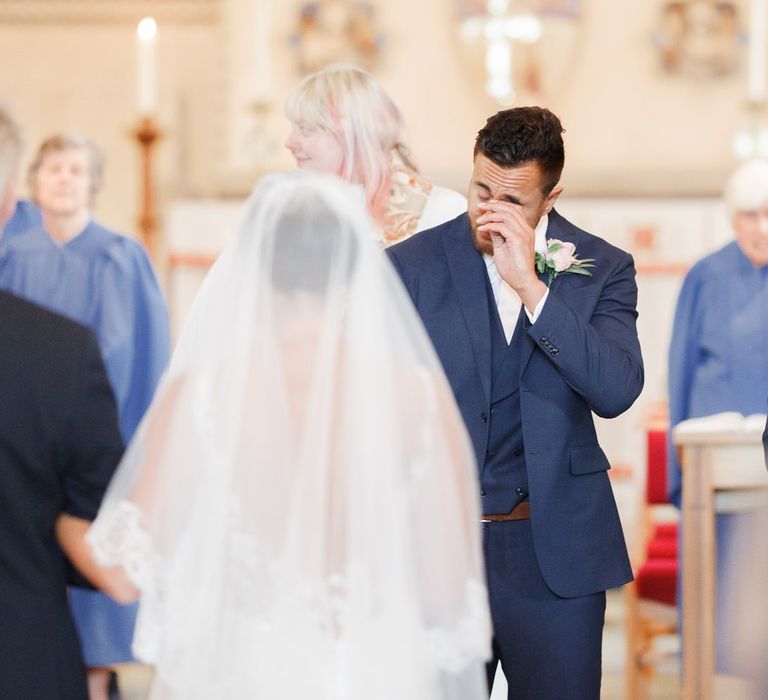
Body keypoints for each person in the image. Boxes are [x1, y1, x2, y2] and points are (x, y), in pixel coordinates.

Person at [87, 171, 491, 699]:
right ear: (352, 269)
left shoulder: (200, 396)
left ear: (256, 268)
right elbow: (444, 590)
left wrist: (49, 513)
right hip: (374, 670)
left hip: (244, 671)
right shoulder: (418, 397)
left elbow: (123, 570)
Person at [387, 106, 644, 699]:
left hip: (556, 555)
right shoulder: (408, 267)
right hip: (437, 554)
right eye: (481, 189)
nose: (491, 211)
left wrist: (532, 288)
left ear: (551, 197)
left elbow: (616, 391)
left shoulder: (602, 268)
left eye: (513, 200)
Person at [0, 132, 171, 698]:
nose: (65, 179)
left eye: (76, 169)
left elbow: (147, 361)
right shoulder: (10, 256)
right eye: (52, 169)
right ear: (27, 185)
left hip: (97, 455)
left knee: (93, 604)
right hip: (20, 462)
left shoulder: (123, 258)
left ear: (94, 183)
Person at [667, 158, 768, 672]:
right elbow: (681, 367)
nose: (763, 228)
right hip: (713, 465)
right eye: (751, 215)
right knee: (716, 583)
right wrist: (677, 474)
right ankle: (709, 680)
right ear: (734, 220)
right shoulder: (705, 276)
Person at [284, 63, 466, 247]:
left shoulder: (444, 211)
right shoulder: (293, 209)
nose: (289, 143)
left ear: (352, 134)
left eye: (304, 129)